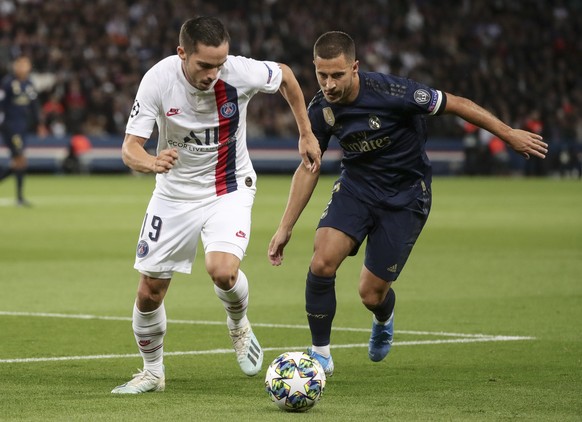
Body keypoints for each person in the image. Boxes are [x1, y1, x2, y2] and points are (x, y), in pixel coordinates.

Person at [268, 31, 548, 376]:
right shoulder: (321, 109)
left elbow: (458, 104)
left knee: (371, 294)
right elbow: (309, 165)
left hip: (405, 196)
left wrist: (510, 135)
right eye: (322, 75)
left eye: (337, 75)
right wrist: (285, 226)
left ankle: (384, 317)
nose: (329, 84)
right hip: (357, 189)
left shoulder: (395, 93)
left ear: (355, 67)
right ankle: (320, 355)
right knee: (322, 261)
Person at [111, 17, 321, 394]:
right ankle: (153, 372)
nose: (213, 73)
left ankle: (238, 324)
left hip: (229, 186)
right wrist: (151, 162)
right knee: (149, 291)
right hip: (174, 194)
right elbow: (130, 148)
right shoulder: (158, 80)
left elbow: (287, 76)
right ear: (182, 54)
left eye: (219, 64)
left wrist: (306, 132)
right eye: (204, 65)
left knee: (222, 270)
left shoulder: (239, 72)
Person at [0, 56, 42, 206]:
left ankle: (19, 198)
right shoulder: (8, 83)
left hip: (22, 127)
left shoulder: (29, 84)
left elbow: (34, 105)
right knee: (20, 160)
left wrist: (39, 124)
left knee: (18, 163)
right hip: (10, 127)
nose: (23, 67)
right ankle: (19, 198)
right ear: (15, 66)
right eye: (20, 64)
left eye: (26, 65)